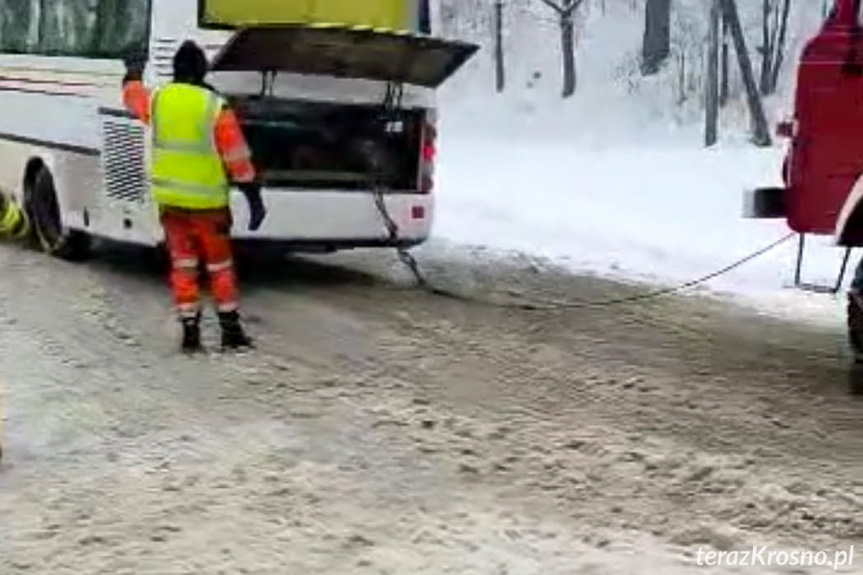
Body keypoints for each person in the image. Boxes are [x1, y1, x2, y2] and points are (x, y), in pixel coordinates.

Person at [122, 41, 267, 353]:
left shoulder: (159, 99)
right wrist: (254, 199)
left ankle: (190, 333)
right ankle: (230, 333)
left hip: (171, 204)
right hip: (209, 207)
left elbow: (133, 98)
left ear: (176, 70)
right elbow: (237, 158)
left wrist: (132, 70)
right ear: (203, 70)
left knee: (183, 266)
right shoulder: (213, 105)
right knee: (219, 267)